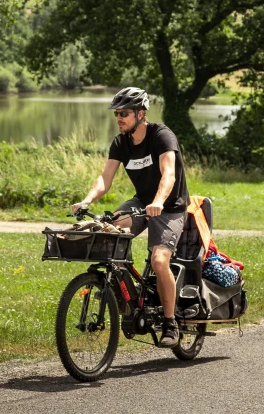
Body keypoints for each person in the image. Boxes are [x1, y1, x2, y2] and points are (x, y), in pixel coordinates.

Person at [71, 86, 189, 348]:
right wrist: (88, 200)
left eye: (123, 113)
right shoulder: (120, 142)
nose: (119, 118)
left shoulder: (162, 135)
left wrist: (158, 202)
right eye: (117, 114)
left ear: (141, 114)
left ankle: (170, 322)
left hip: (169, 207)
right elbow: (105, 178)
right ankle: (130, 299)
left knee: (159, 261)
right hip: (140, 204)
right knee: (107, 232)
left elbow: (168, 174)